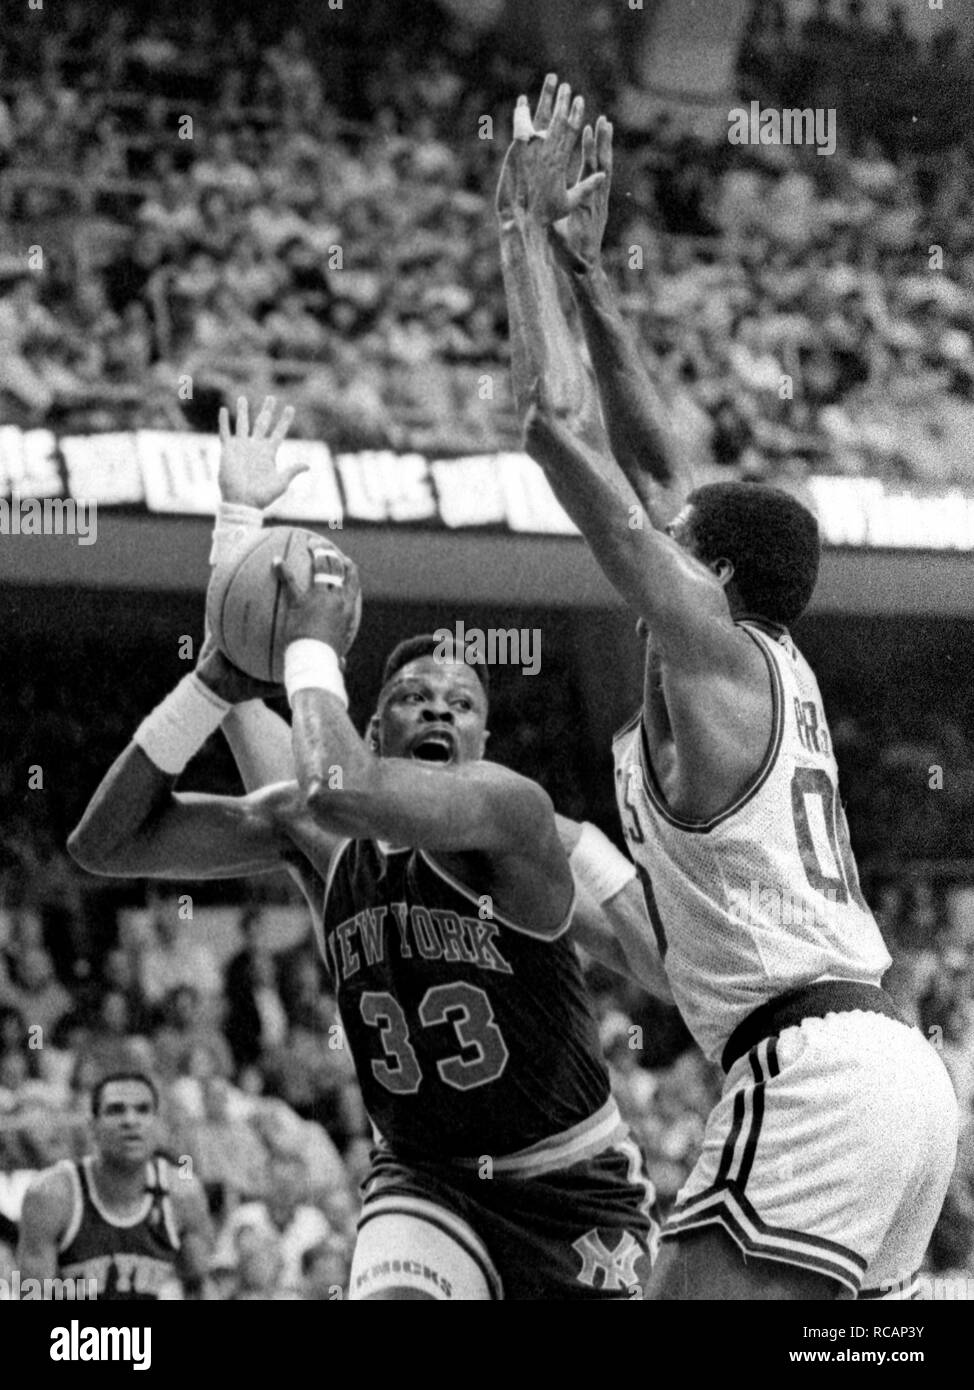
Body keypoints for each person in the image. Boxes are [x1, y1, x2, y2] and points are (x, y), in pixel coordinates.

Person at [495, 75, 959, 1300]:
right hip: (891, 1072)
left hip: (809, 1073)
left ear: (706, 568)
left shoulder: (708, 648)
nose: (658, 517)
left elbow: (551, 425)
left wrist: (519, 236)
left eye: (675, 532)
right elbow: (660, 463)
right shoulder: (757, 657)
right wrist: (591, 276)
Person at [67, 396, 668, 1300]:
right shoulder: (316, 827)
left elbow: (333, 775)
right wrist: (233, 546)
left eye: (462, 702)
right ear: (373, 723)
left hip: (569, 1181)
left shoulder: (508, 813)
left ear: (483, 741)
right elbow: (106, 845)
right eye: (416, 695)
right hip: (422, 1181)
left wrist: (307, 640)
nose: (438, 707)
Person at [17, 1071, 213, 1299]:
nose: (130, 1121)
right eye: (116, 1110)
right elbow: (32, 1296)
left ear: (158, 1125)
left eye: (143, 1110)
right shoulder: (52, 1195)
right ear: (92, 1127)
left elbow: (198, 1286)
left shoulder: (183, 1194)